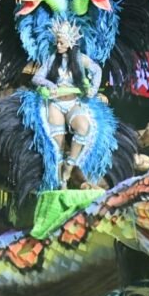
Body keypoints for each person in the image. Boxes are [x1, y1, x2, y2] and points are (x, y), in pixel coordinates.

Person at [31, 19, 103, 185]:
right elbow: (36, 78)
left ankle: (69, 166)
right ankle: (58, 180)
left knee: (83, 127)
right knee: (58, 143)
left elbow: (97, 70)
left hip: (72, 102)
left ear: (70, 44)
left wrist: (93, 89)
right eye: (57, 42)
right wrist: (50, 85)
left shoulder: (80, 59)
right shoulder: (52, 60)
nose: (58, 45)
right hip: (55, 103)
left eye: (61, 42)